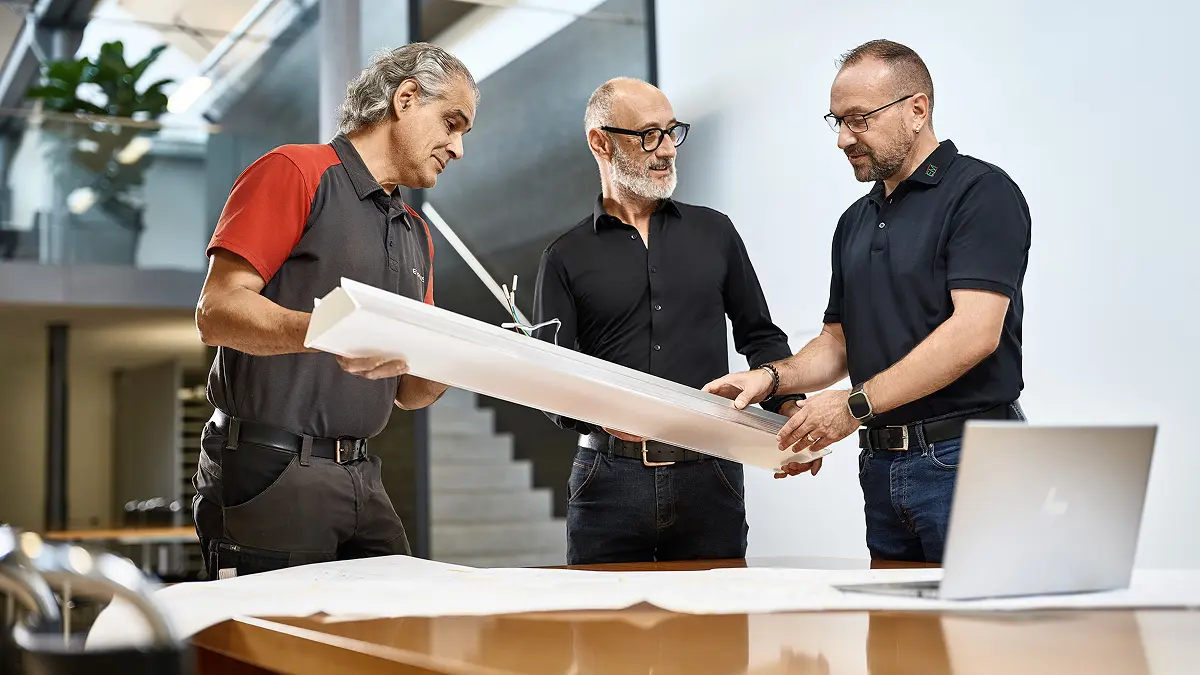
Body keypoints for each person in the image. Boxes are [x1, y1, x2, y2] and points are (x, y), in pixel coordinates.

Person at [704, 40, 1031, 563]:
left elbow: (975, 332)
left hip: (968, 460)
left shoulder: (981, 194)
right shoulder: (855, 220)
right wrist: (771, 378)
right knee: (895, 642)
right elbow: (839, 343)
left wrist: (855, 406)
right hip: (881, 469)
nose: (842, 139)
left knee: (979, 642)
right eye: (835, 121)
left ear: (917, 109)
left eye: (858, 120)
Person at [191, 43, 477, 578]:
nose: (458, 148)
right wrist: (336, 332)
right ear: (406, 98)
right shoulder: (296, 171)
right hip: (270, 467)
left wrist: (469, 358)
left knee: (394, 630)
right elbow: (217, 311)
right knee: (277, 652)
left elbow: (411, 393)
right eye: (452, 123)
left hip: (362, 473)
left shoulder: (416, 232)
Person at [531, 78, 802, 565]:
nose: (667, 150)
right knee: (604, 638)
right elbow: (548, 380)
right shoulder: (563, 257)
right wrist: (602, 415)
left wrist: (791, 406)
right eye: (649, 135)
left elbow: (760, 335)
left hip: (711, 476)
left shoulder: (715, 232)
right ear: (601, 142)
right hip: (607, 481)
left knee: (715, 636)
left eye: (671, 132)